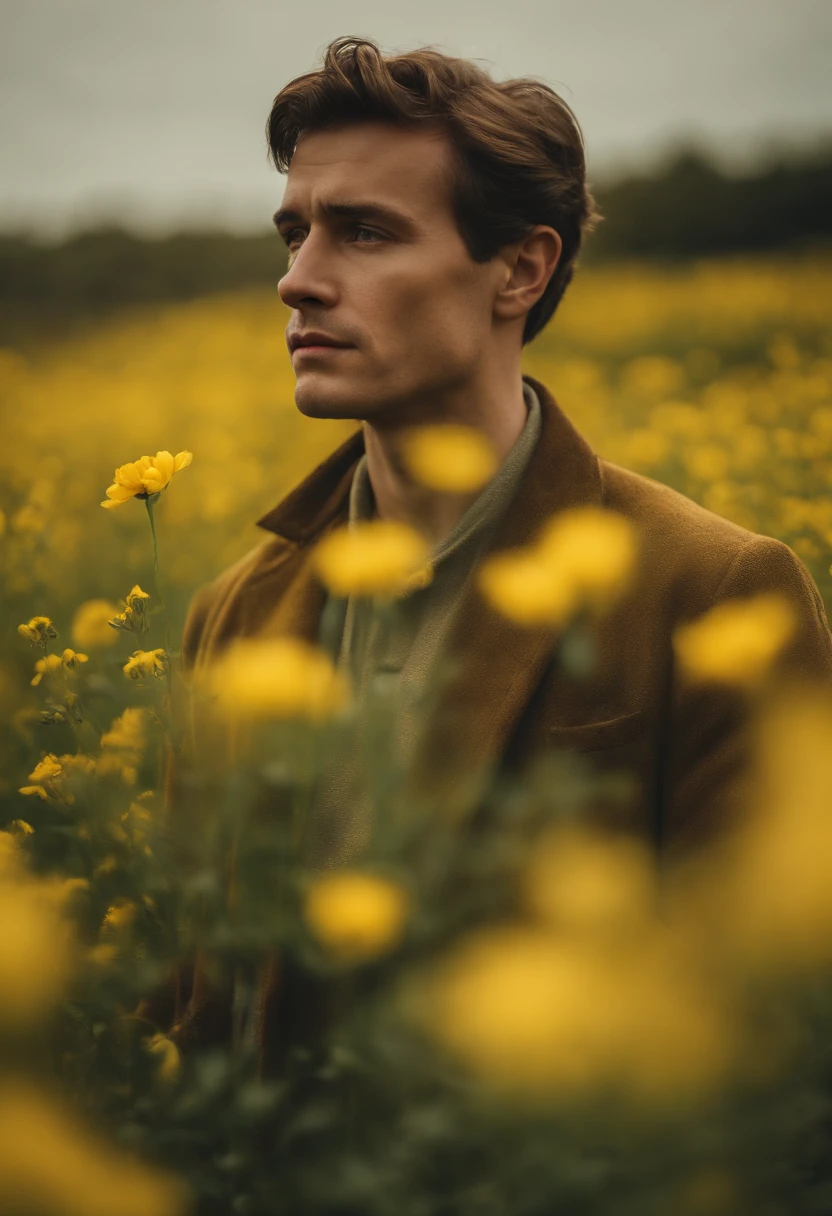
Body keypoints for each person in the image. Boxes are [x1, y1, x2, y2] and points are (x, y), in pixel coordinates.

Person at [182, 35, 832, 868]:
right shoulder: (229, 616)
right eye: (294, 232)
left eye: (366, 233)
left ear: (522, 269)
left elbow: (781, 969)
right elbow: (192, 983)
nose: (296, 279)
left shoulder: (712, 590)